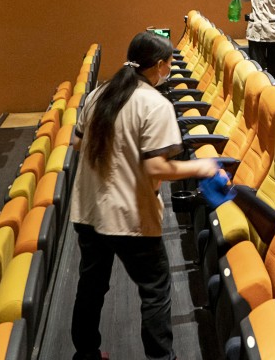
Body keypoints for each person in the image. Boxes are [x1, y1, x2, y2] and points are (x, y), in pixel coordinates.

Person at [70, 31, 220, 360]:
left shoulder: (99, 94)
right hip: (128, 218)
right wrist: (201, 168)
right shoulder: (154, 103)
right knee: (155, 290)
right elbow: (156, 168)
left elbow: (78, 143)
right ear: (157, 66)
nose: (169, 69)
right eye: (168, 64)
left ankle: (86, 354)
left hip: (88, 210)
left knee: (91, 287)